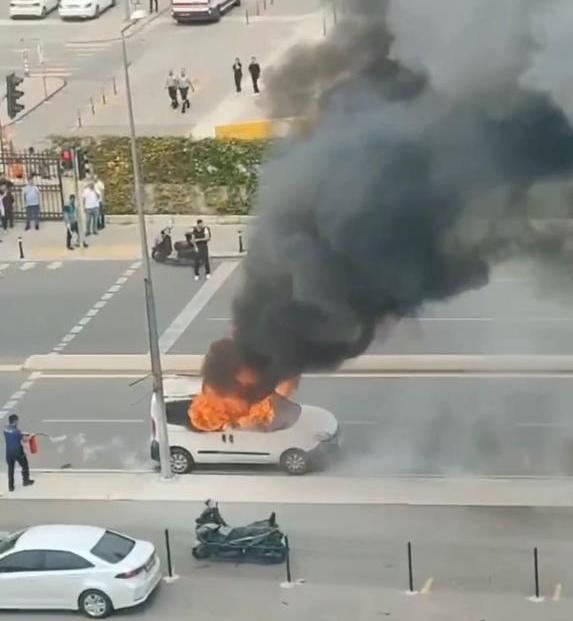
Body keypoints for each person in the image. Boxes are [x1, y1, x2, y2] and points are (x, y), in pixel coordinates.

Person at [4, 414, 34, 492]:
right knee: (25, 465)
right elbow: (25, 440)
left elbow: (12, 431)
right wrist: (30, 436)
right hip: (18, 452)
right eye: (17, 420)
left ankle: (11, 487)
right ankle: (26, 481)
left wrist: (22, 433)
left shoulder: (5, 429)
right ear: (15, 421)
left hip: (9, 453)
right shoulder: (17, 432)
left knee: (10, 469)